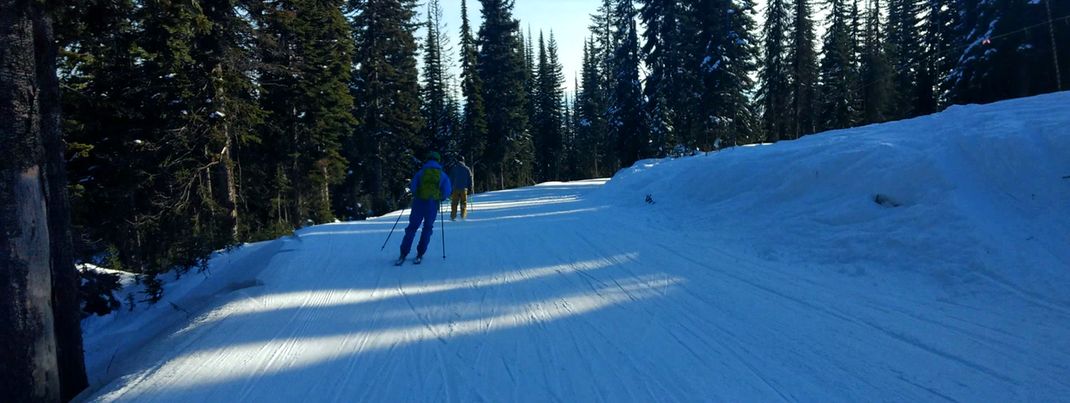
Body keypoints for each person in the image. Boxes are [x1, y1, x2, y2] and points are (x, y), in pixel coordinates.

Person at [398, 151, 452, 264]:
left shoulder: (421, 172)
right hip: (432, 204)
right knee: (427, 228)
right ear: (438, 160)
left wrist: (417, 194)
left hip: (419, 202)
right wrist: (441, 197)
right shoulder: (442, 174)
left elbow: (413, 187)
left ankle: (404, 252)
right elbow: (447, 190)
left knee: (412, 227)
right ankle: (420, 252)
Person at [447, 156, 475, 220]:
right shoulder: (467, 169)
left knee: (454, 203)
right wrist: (470, 187)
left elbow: (451, 179)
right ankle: (463, 216)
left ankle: (453, 216)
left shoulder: (454, 168)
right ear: (463, 161)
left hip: (455, 188)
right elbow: (470, 178)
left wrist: (450, 188)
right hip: (464, 189)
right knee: (463, 202)